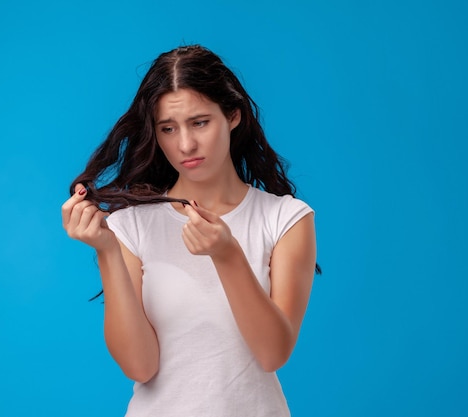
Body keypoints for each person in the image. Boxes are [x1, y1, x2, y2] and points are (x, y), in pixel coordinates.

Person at [61, 45, 318, 417]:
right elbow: (140, 367)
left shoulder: (285, 219)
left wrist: (227, 255)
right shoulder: (130, 226)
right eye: (168, 128)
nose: (185, 145)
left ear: (232, 116)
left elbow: (272, 353)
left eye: (199, 122)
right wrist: (107, 250)